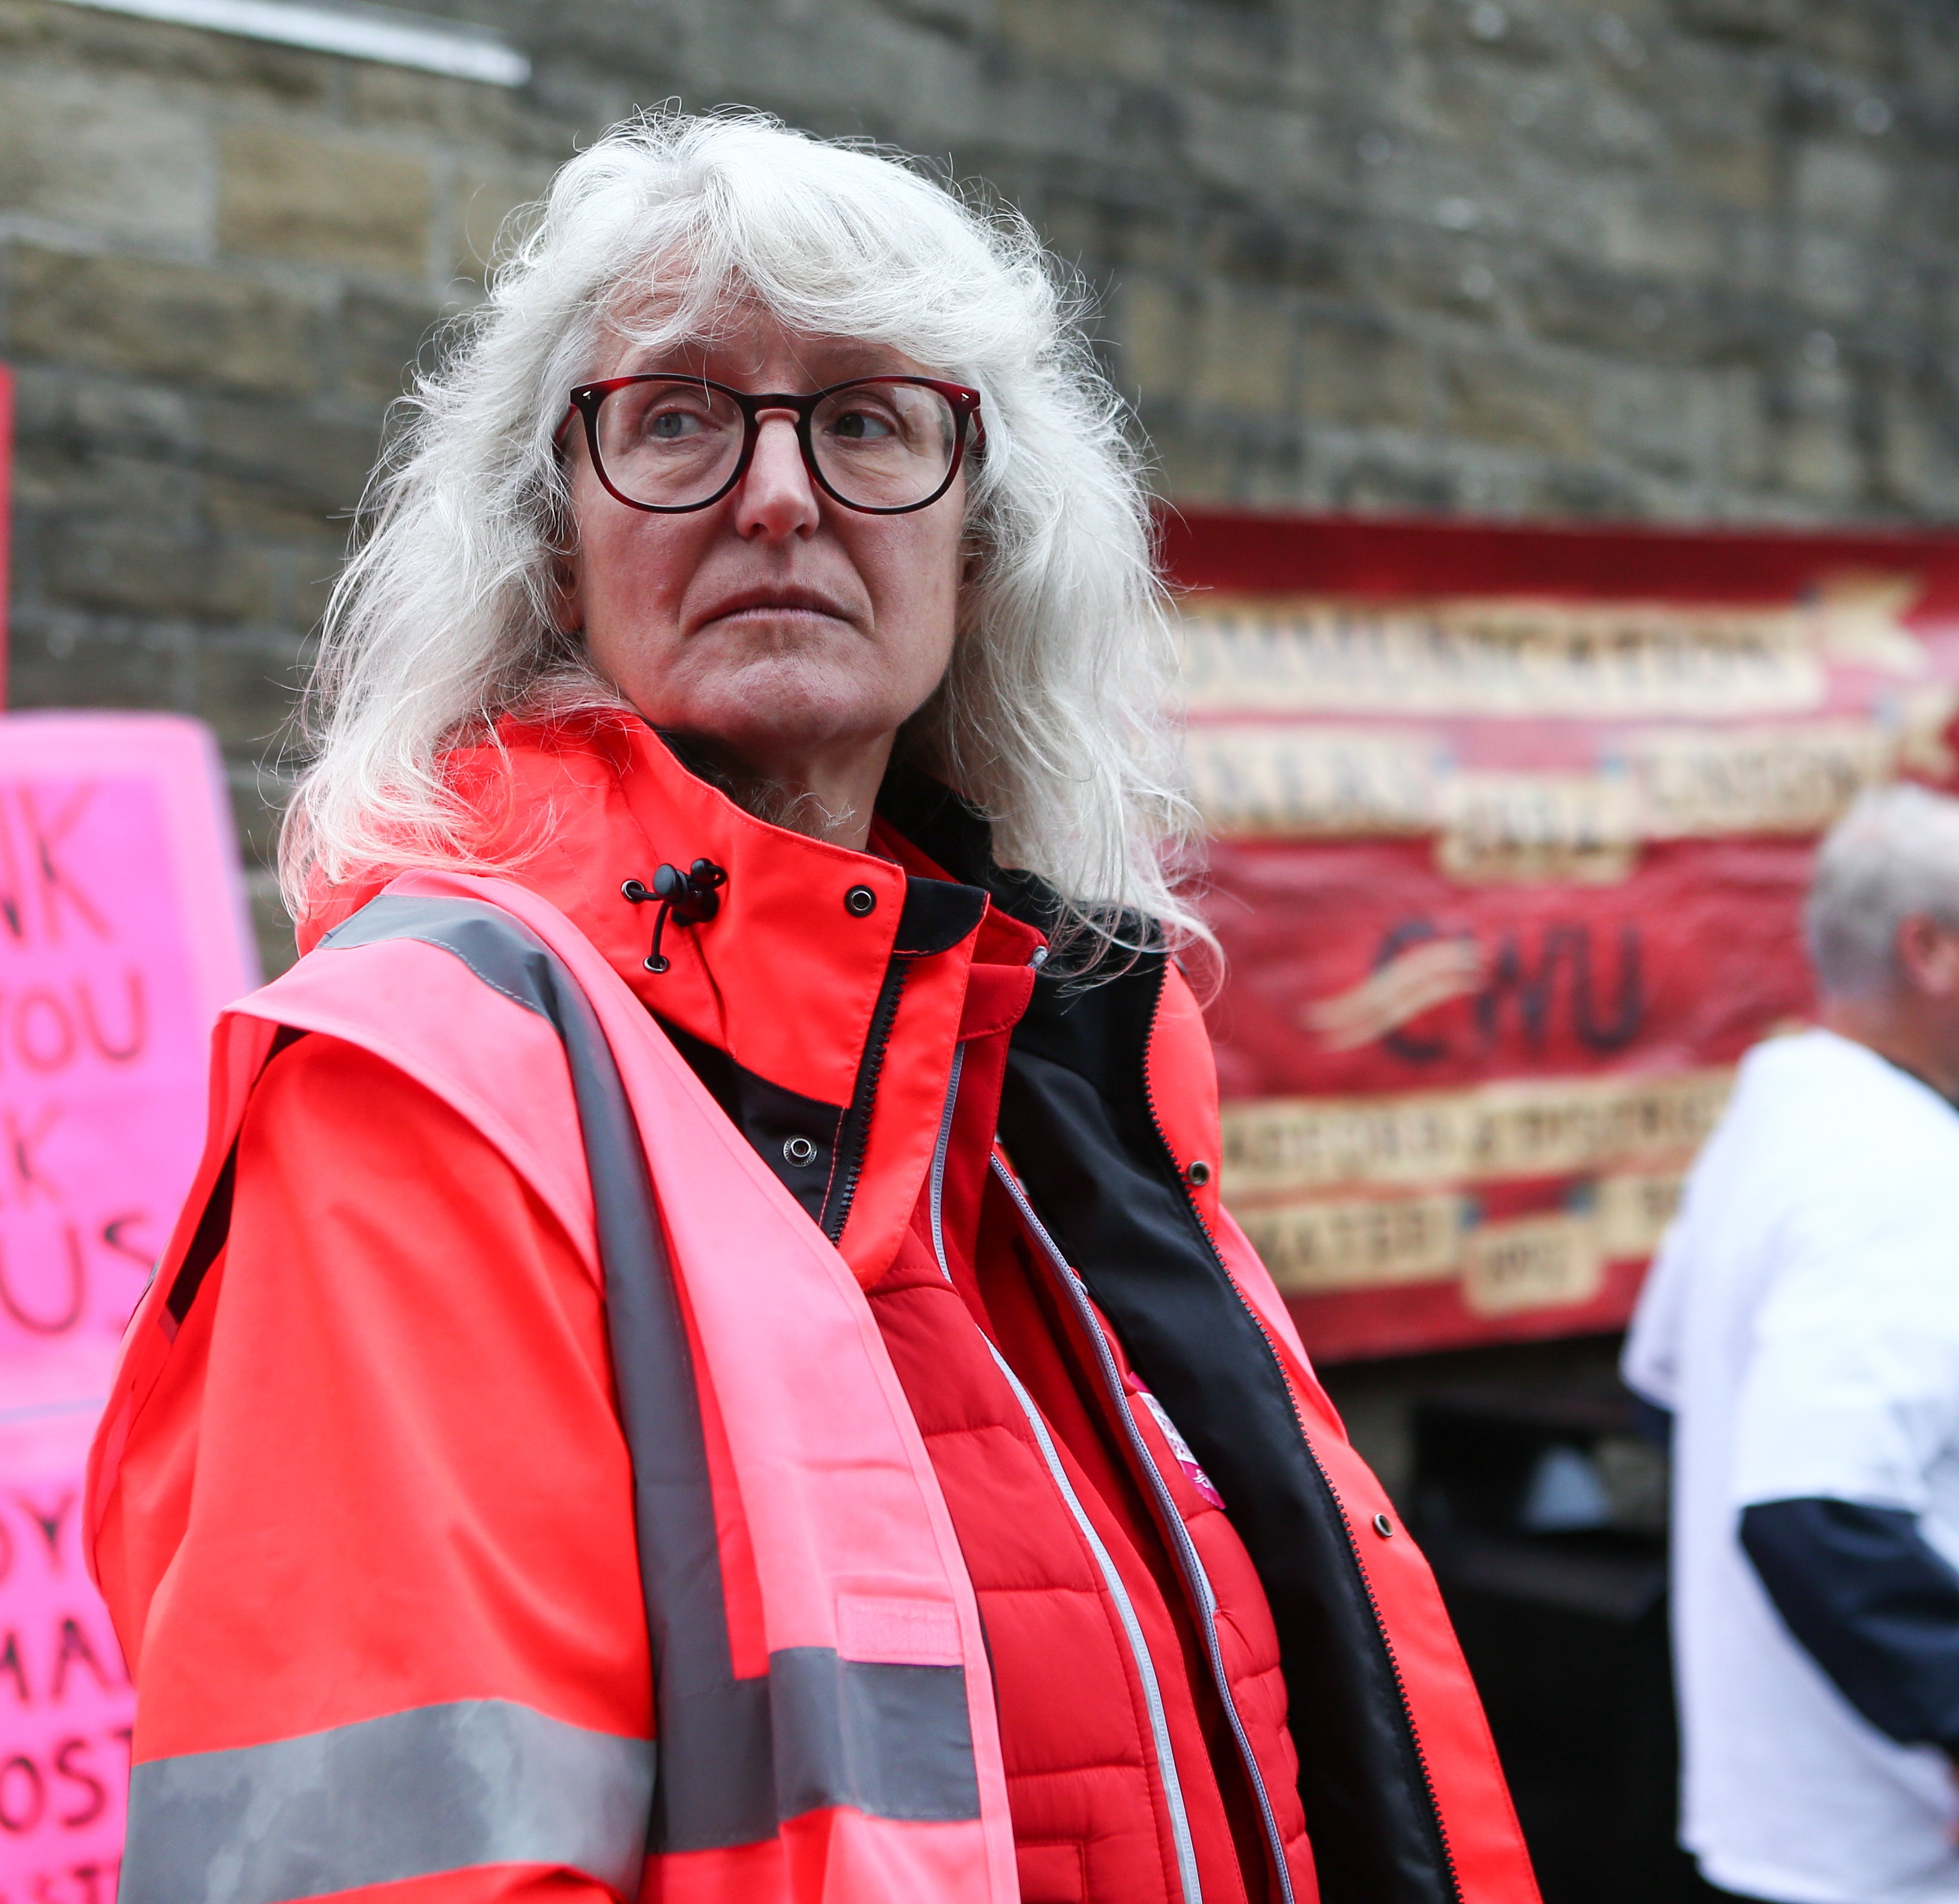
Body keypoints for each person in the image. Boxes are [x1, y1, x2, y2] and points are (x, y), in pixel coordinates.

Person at [82, 112, 1539, 1904]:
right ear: (557, 542)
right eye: (679, 416)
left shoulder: (1061, 1055)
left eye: (864, 419)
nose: (780, 494)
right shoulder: (433, 1082)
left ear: (981, 543)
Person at [1624, 784, 1959, 1904]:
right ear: (1927, 951)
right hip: (1949, 1862)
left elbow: (1669, 1391)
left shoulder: (1797, 1115)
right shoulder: (1880, 1178)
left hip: (1870, 1838)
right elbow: (1811, 1506)